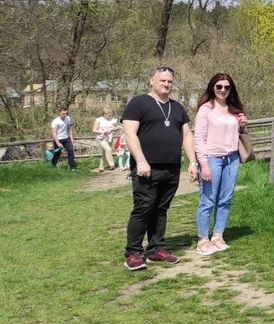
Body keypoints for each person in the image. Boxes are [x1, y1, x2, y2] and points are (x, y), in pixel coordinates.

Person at [121, 66, 197, 272]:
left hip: (171, 167)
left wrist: (192, 162)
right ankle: (133, 253)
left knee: (161, 209)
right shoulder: (138, 104)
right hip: (147, 167)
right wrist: (141, 161)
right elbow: (130, 134)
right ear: (151, 81)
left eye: (170, 81)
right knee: (143, 208)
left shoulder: (177, 107)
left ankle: (156, 249)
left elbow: (187, 135)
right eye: (162, 80)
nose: (166, 84)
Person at [193, 73, 248, 256]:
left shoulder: (234, 109)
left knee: (225, 199)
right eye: (219, 87)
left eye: (227, 87)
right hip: (212, 158)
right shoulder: (206, 109)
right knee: (207, 199)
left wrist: (242, 125)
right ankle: (203, 239)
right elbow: (199, 139)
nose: (223, 90)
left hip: (231, 158)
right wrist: (204, 164)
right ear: (212, 88)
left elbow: (238, 134)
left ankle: (218, 235)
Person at [92, 106, 118, 173]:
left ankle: (101, 166)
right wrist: (103, 131)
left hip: (109, 138)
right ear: (104, 114)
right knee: (108, 149)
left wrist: (113, 129)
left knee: (105, 152)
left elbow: (116, 128)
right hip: (101, 137)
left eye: (110, 114)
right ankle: (111, 164)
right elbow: (94, 130)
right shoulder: (99, 120)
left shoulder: (113, 120)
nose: (110, 115)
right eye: (108, 113)